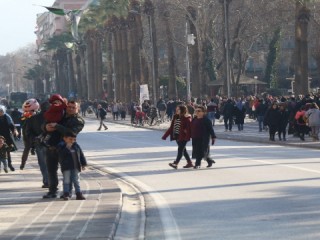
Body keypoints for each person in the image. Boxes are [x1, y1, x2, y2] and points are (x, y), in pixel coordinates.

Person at [43, 100, 85, 199]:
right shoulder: (59, 113)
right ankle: (52, 191)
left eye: (73, 107)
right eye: (69, 107)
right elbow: (45, 122)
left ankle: (67, 192)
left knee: (67, 171)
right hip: (52, 147)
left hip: (66, 149)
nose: (70, 109)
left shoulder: (78, 120)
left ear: (77, 109)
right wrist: (46, 127)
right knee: (51, 170)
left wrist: (57, 126)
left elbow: (72, 133)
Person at [25, 101, 50, 188]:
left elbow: (28, 132)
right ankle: (52, 181)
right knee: (52, 163)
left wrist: (34, 140)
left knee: (43, 163)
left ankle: (46, 181)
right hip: (51, 143)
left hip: (39, 143)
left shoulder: (32, 118)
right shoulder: (53, 118)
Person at [57, 131, 87, 200]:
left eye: (74, 139)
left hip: (76, 166)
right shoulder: (61, 145)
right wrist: (67, 148)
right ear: (65, 138)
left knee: (76, 180)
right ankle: (66, 193)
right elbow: (60, 155)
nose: (72, 141)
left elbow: (81, 155)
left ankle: (78, 194)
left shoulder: (76, 145)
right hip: (66, 167)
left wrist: (83, 164)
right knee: (66, 180)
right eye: (70, 139)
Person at [162, 105, 193, 169]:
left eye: (178, 109)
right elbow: (171, 128)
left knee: (180, 149)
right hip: (176, 136)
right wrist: (165, 136)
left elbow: (190, 127)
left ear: (182, 110)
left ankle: (176, 163)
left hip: (184, 136)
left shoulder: (187, 118)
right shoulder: (175, 117)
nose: (176, 110)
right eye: (176, 109)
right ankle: (189, 163)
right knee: (183, 150)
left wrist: (186, 132)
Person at [20, 98, 40, 170]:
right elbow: (22, 124)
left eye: (32, 110)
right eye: (31, 111)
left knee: (39, 150)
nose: (31, 112)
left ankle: (41, 163)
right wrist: (26, 117)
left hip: (36, 135)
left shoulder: (38, 115)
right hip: (27, 136)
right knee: (26, 149)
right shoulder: (24, 116)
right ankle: (22, 164)